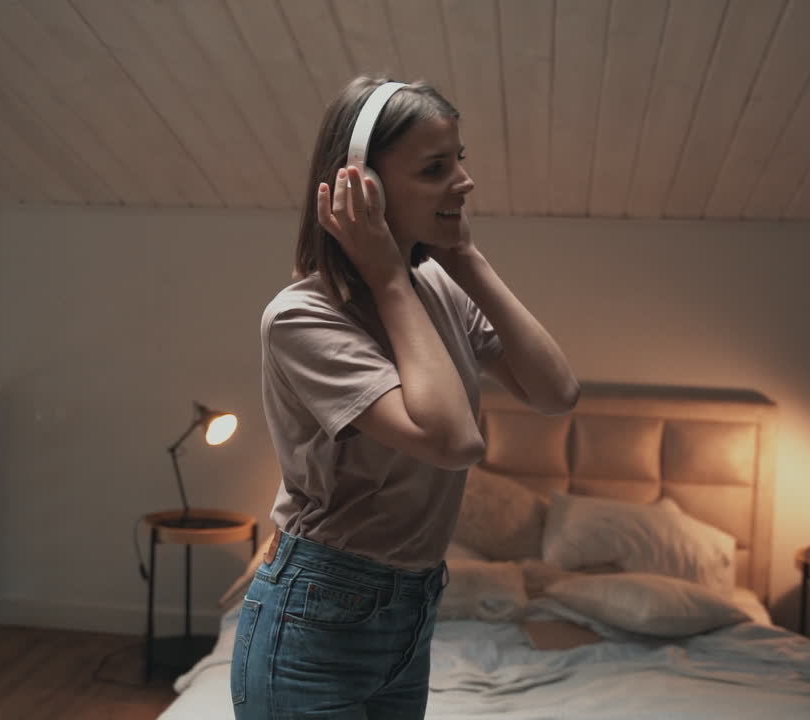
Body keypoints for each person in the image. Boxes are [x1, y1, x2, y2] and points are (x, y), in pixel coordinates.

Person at [231, 75, 579, 719]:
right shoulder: (302, 318)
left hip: (410, 610)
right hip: (318, 615)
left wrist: (467, 258)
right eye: (434, 168)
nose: (464, 182)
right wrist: (388, 274)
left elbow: (557, 392)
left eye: (459, 161)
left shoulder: (438, 291)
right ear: (361, 186)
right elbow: (455, 442)